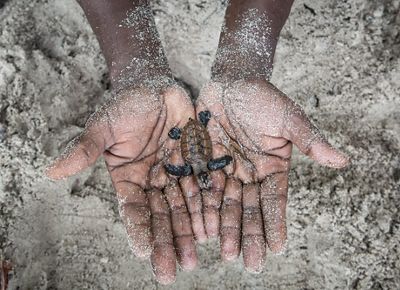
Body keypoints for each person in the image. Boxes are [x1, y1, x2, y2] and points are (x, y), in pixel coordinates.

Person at [46, 0, 349, 285]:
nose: (203, 177)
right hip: (196, 133)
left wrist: (242, 64)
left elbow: (211, 163)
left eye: (202, 177)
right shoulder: (199, 165)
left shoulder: (195, 166)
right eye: (205, 176)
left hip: (193, 134)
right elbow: (215, 162)